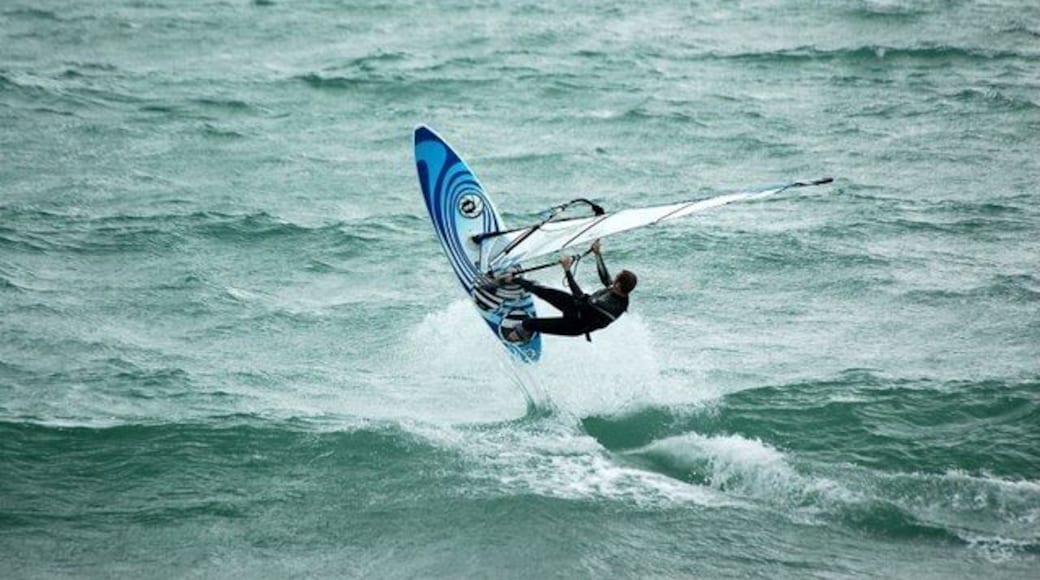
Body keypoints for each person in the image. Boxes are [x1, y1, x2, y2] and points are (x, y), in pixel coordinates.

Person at [501, 240, 637, 342]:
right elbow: (606, 279)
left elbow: (579, 296)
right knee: (542, 290)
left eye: (616, 280)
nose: (613, 281)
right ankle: (511, 280)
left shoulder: (611, 306)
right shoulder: (618, 289)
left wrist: (567, 270)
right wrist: (597, 254)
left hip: (576, 325)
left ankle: (516, 336)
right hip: (575, 307)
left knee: (528, 323)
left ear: (619, 286)